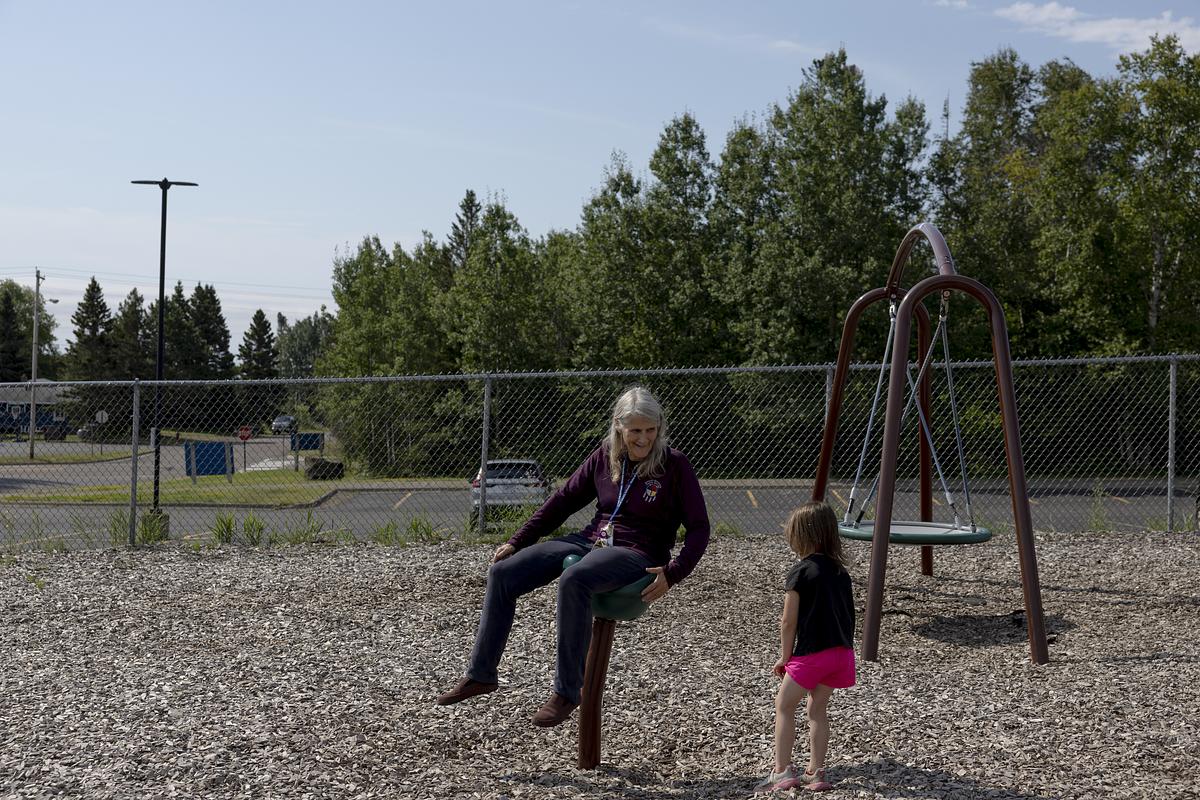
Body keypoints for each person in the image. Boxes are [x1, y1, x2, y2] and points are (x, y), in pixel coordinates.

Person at [436, 385, 710, 727]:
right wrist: (519, 540)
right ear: (618, 426)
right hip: (592, 539)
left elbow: (700, 528)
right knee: (504, 572)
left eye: (651, 430)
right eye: (635, 430)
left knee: (575, 578)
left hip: (637, 551)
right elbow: (563, 501)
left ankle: (567, 692)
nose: (643, 439)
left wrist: (674, 572)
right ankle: (482, 673)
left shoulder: (674, 465)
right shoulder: (605, 456)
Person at [755, 501, 855, 793]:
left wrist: (786, 657)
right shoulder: (841, 572)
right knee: (817, 710)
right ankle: (817, 772)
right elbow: (848, 615)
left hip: (812, 654)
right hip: (841, 653)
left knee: (785, 705)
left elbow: (788, 621)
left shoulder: (800, 572)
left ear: (801, 536)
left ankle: (782, 771)